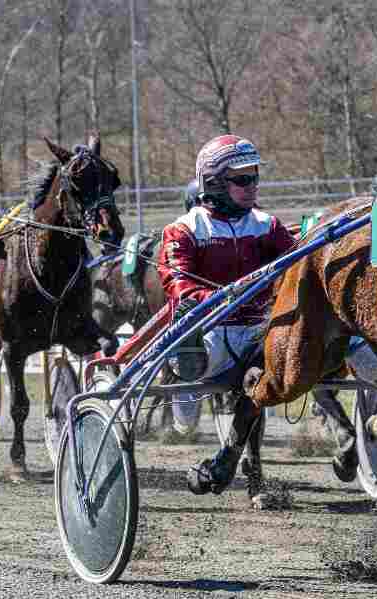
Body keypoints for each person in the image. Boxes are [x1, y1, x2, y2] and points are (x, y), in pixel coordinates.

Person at [158, 134, 295, 504]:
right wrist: (218, 297)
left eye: (254, 178)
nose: (252, 186)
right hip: (209, 338)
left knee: (264, 368)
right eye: (242, 179)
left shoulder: (267, 225)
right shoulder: (184, 230)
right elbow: (178, 283)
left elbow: (297, 269)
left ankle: (229, 461)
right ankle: (179, 384)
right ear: (214, 181)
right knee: (205, 362)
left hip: (255, 334)